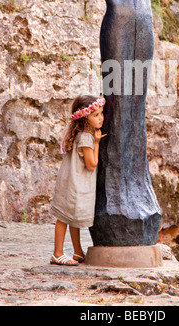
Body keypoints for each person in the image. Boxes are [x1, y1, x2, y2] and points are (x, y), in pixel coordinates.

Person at [89, 0, 161, 246]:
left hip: (143, 27)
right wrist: (128, 15)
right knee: (117, 103)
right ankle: (114, 200)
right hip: (118, 26)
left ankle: (140, 195)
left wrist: (145, 24)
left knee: (138, 107)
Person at [50, 95, 106, 265]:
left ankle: (78, 252)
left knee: (70, 217)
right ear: (84, 118)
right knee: (64, 217)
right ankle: (57, 253)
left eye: (101, 113)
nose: (101, 118)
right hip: (76, 183)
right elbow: (91, 164)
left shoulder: (80, 133)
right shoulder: (86, 138)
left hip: (71, 179)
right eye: (95, 115)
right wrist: (96, 143)